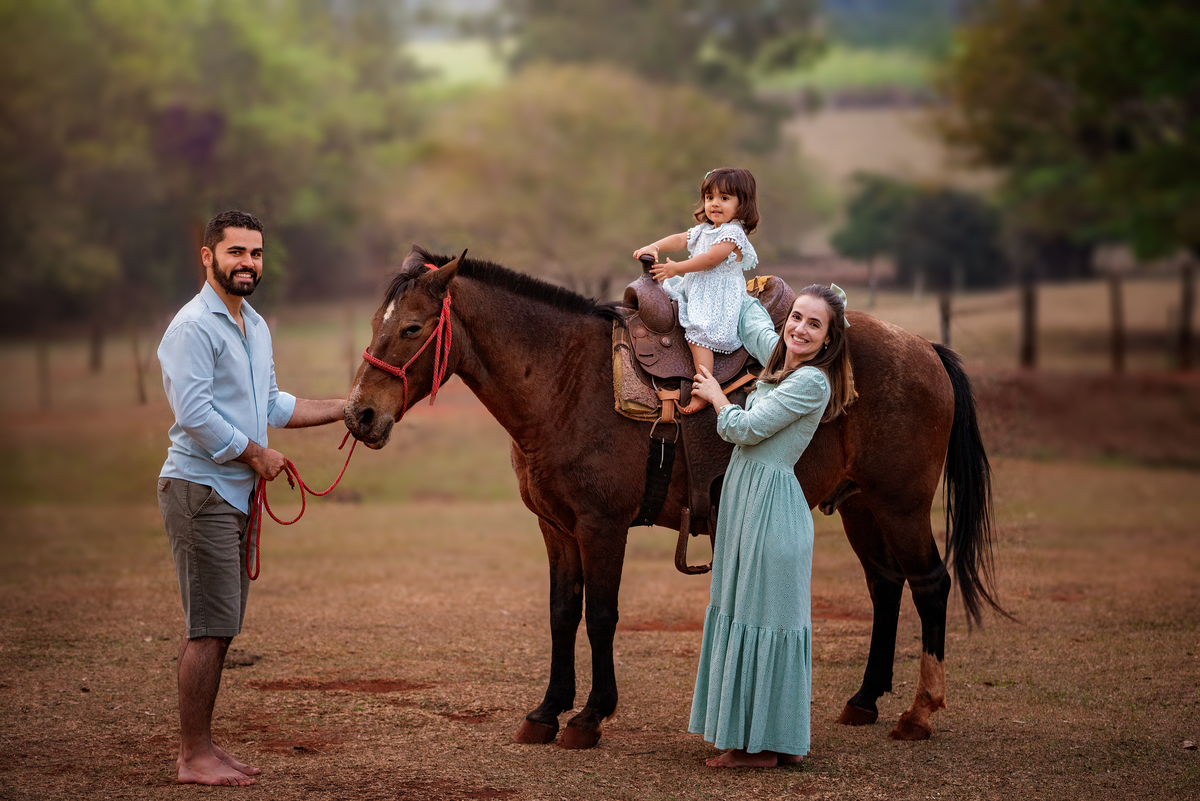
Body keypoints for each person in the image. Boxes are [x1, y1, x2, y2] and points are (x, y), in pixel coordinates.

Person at [156, 210, 347, 786]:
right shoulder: (193, 327)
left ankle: (205, 748)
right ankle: (194, 756)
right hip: (200, 489)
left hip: (231, 493)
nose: (248, 263)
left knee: (221, 625)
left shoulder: (253, 325)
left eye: (256, 254)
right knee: (209, 627)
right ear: (208, 257)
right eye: (236, 252)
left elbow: (270, 406)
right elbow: (193, 416)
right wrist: (257, 455)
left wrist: (348, 407)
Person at [686, 284, 856, 767]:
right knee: (745, 615)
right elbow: (751, 322)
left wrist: (718, 396)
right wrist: (726, 275)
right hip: (747, 503)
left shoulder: (812, 383)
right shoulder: (785, 359)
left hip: (770, 510)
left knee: (764, 622)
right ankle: (759, 738)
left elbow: (745, 429)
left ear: (829, 339)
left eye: (813, 324)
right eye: (796, 317)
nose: (799, 328)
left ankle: (759, 748)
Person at [633, 167, 760, 414]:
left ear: (742, 204)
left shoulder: (732, 232)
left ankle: (704, 386)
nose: (714, 204)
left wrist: (677, 267)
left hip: (718, 298)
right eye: (710, 197)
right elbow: (681, 239)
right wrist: (654, 245)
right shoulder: (705, 229)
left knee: (699, 336)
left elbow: (711, 259)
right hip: (698, 290)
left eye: (724, 198)